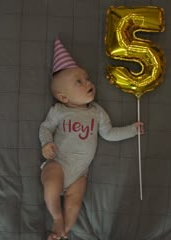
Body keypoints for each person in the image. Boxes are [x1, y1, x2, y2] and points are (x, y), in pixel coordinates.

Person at [39, 38, 144, 240]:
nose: (88, 83)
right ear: (63, 97)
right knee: (51, 182)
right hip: (58, 163)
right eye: (79, 82)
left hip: (80, 173)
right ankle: (56, 217)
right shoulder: (60, 111)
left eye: (87, 79)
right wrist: (46, 144)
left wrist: (132, 130)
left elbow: (109, 133)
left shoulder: (97, 112)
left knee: (75, 201)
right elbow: (46, 127)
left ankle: (63, 231)